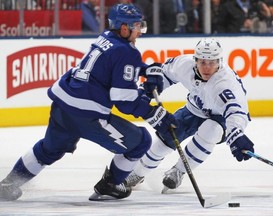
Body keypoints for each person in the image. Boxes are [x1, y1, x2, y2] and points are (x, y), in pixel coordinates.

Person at [0, 4, 177, 201]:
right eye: (137, 26)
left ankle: (9, 183)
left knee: (49, 149)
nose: (140, 31)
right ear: (124, 28)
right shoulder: (128, 52)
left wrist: (143, 70)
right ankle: (110, 184)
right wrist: (154, 114)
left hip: (62, 106)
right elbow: (124, 101)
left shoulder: (106, 37)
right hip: (87, 115)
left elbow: (111, 66)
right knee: (141, 142)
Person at [124, 38, 255, 192]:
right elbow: (165, 73)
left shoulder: (225, 83)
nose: (206, 67)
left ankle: (179, 171)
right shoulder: (185, 64)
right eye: (202, 62)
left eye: (211, 62)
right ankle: (138, 173)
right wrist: (150, 90)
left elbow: (236, 112)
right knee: (167, 137)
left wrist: (237, 135)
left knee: (211, 130)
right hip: (193, 109)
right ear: (195, 60)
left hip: (219, 118)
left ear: (219, 61)